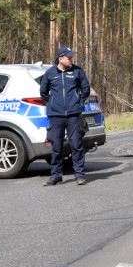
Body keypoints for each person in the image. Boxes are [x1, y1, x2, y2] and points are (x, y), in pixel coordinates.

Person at [40, 46, 91, 185]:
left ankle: (80, 174)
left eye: (71, 57)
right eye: (68, 57)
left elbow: (85, 89)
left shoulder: (77, 71)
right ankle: (56, 175)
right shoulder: (50, 73)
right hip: (56, 115)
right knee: (56, 146)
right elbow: (43, 92)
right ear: (60, 58)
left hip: (73, 114)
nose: (71, 59)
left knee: (76, 144)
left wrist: (78, 102)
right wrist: (52, 103)